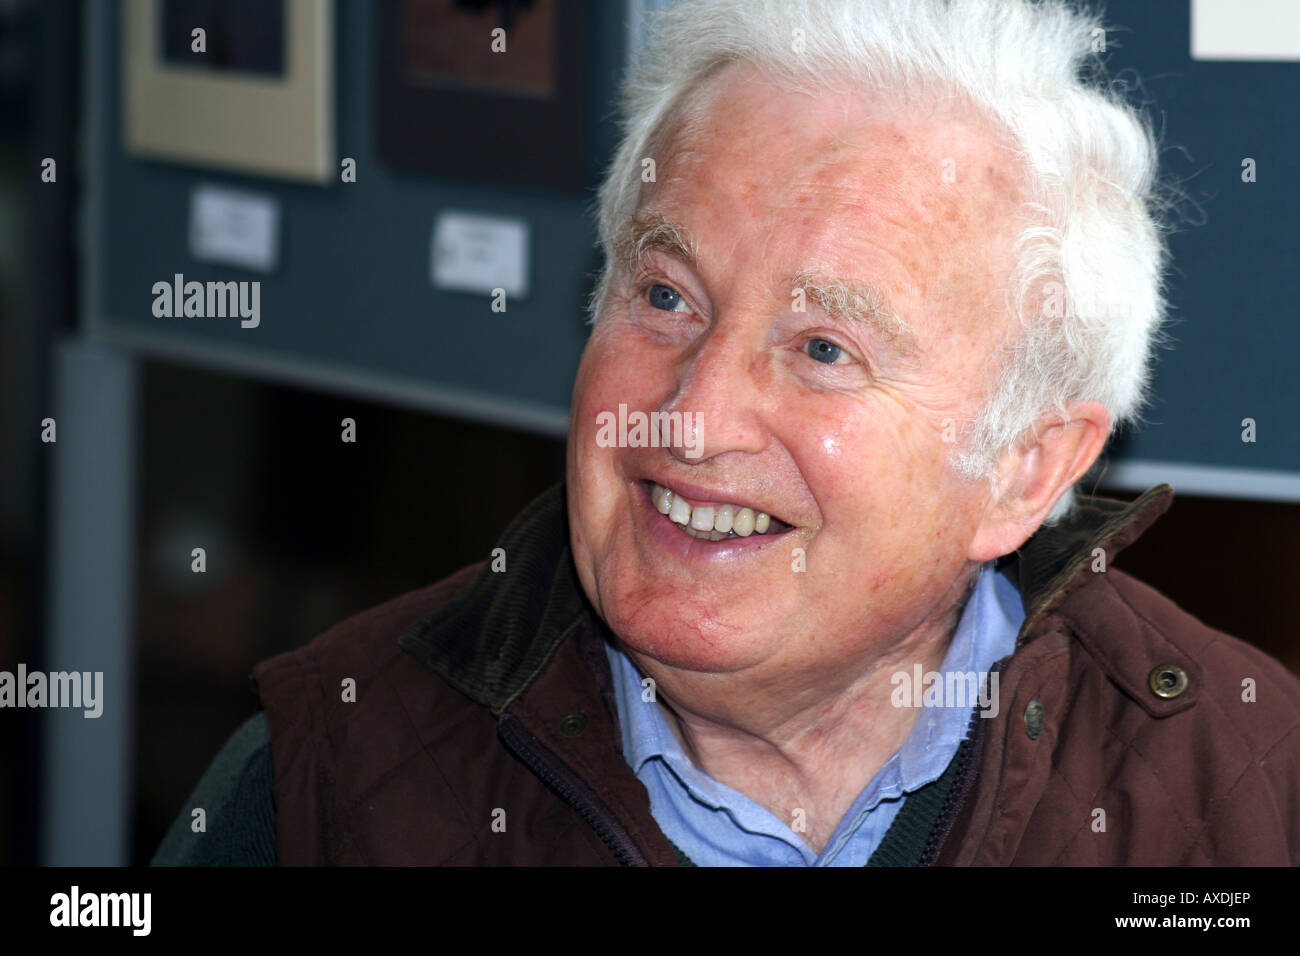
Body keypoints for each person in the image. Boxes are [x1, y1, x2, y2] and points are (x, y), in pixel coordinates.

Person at [154, 0, 1300, 866]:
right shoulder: (327, 776)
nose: (691, 414)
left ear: (1024, 467)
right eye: (665, 297)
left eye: (822, 349)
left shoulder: (1243, 797)